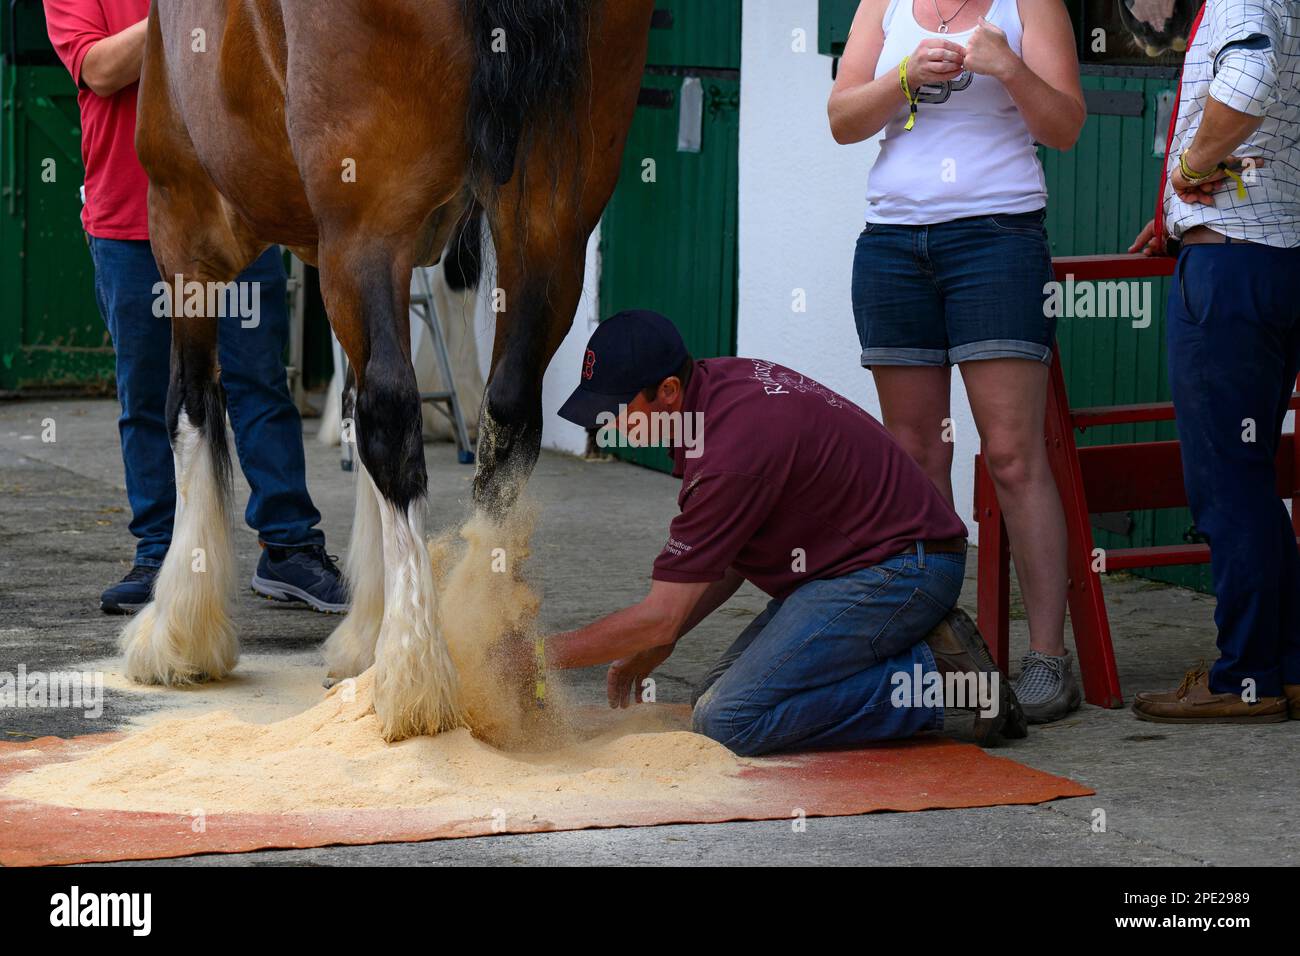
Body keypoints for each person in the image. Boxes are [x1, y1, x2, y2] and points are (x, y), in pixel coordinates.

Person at [524, 310, 1025, 757]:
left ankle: (944, 686)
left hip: (902, 569)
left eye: (616, 410)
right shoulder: (718, 388)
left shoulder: (729, 454)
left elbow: (658, 615)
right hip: (859, 566)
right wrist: (668, 631)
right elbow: (725, 557)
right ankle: (905, 652)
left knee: (729, 720)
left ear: (669, 393)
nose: (608, 427)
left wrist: (536, 658)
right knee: (711, 701)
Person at [827, 0, 1086, 723]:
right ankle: (934, 646)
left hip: (997, 239)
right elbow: (843, 121)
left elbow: (1064, 126)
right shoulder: (879, 5)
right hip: (892, 244)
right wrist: (904, 75)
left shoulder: (1032, 6)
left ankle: (1046, 661)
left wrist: (1007, 67)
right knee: (914, 455)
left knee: (1011, 454)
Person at [44, 0, 346, 614]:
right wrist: (176, 12)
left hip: (238, 210)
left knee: (259, 381)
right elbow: (99, 69)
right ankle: (160, 551)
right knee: (150, 391)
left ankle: (289, 548)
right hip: (127, 224)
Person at [1128, 0, 1299, 723]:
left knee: (1230, 481)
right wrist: (1177, 209)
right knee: (1251, 477)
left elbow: (1250, 83)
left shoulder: (1243, 0)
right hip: (1274, 254)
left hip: (1231, 269)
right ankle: (1283, 669)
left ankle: (1247, 679)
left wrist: (1192, 170)